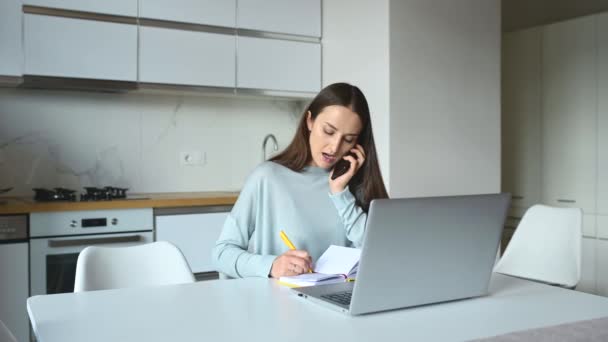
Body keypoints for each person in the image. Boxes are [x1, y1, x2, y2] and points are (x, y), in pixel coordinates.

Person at [212, 82, 388, 279]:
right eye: (329, 131)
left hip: (339, 303)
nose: (334, 147)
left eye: (348, 139)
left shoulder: (354, 186)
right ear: (310, 121)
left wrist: (340, 193)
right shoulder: (268, 178)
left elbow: (381, 256)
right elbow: (221, 254)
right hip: (279, 303)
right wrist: (272, 266)